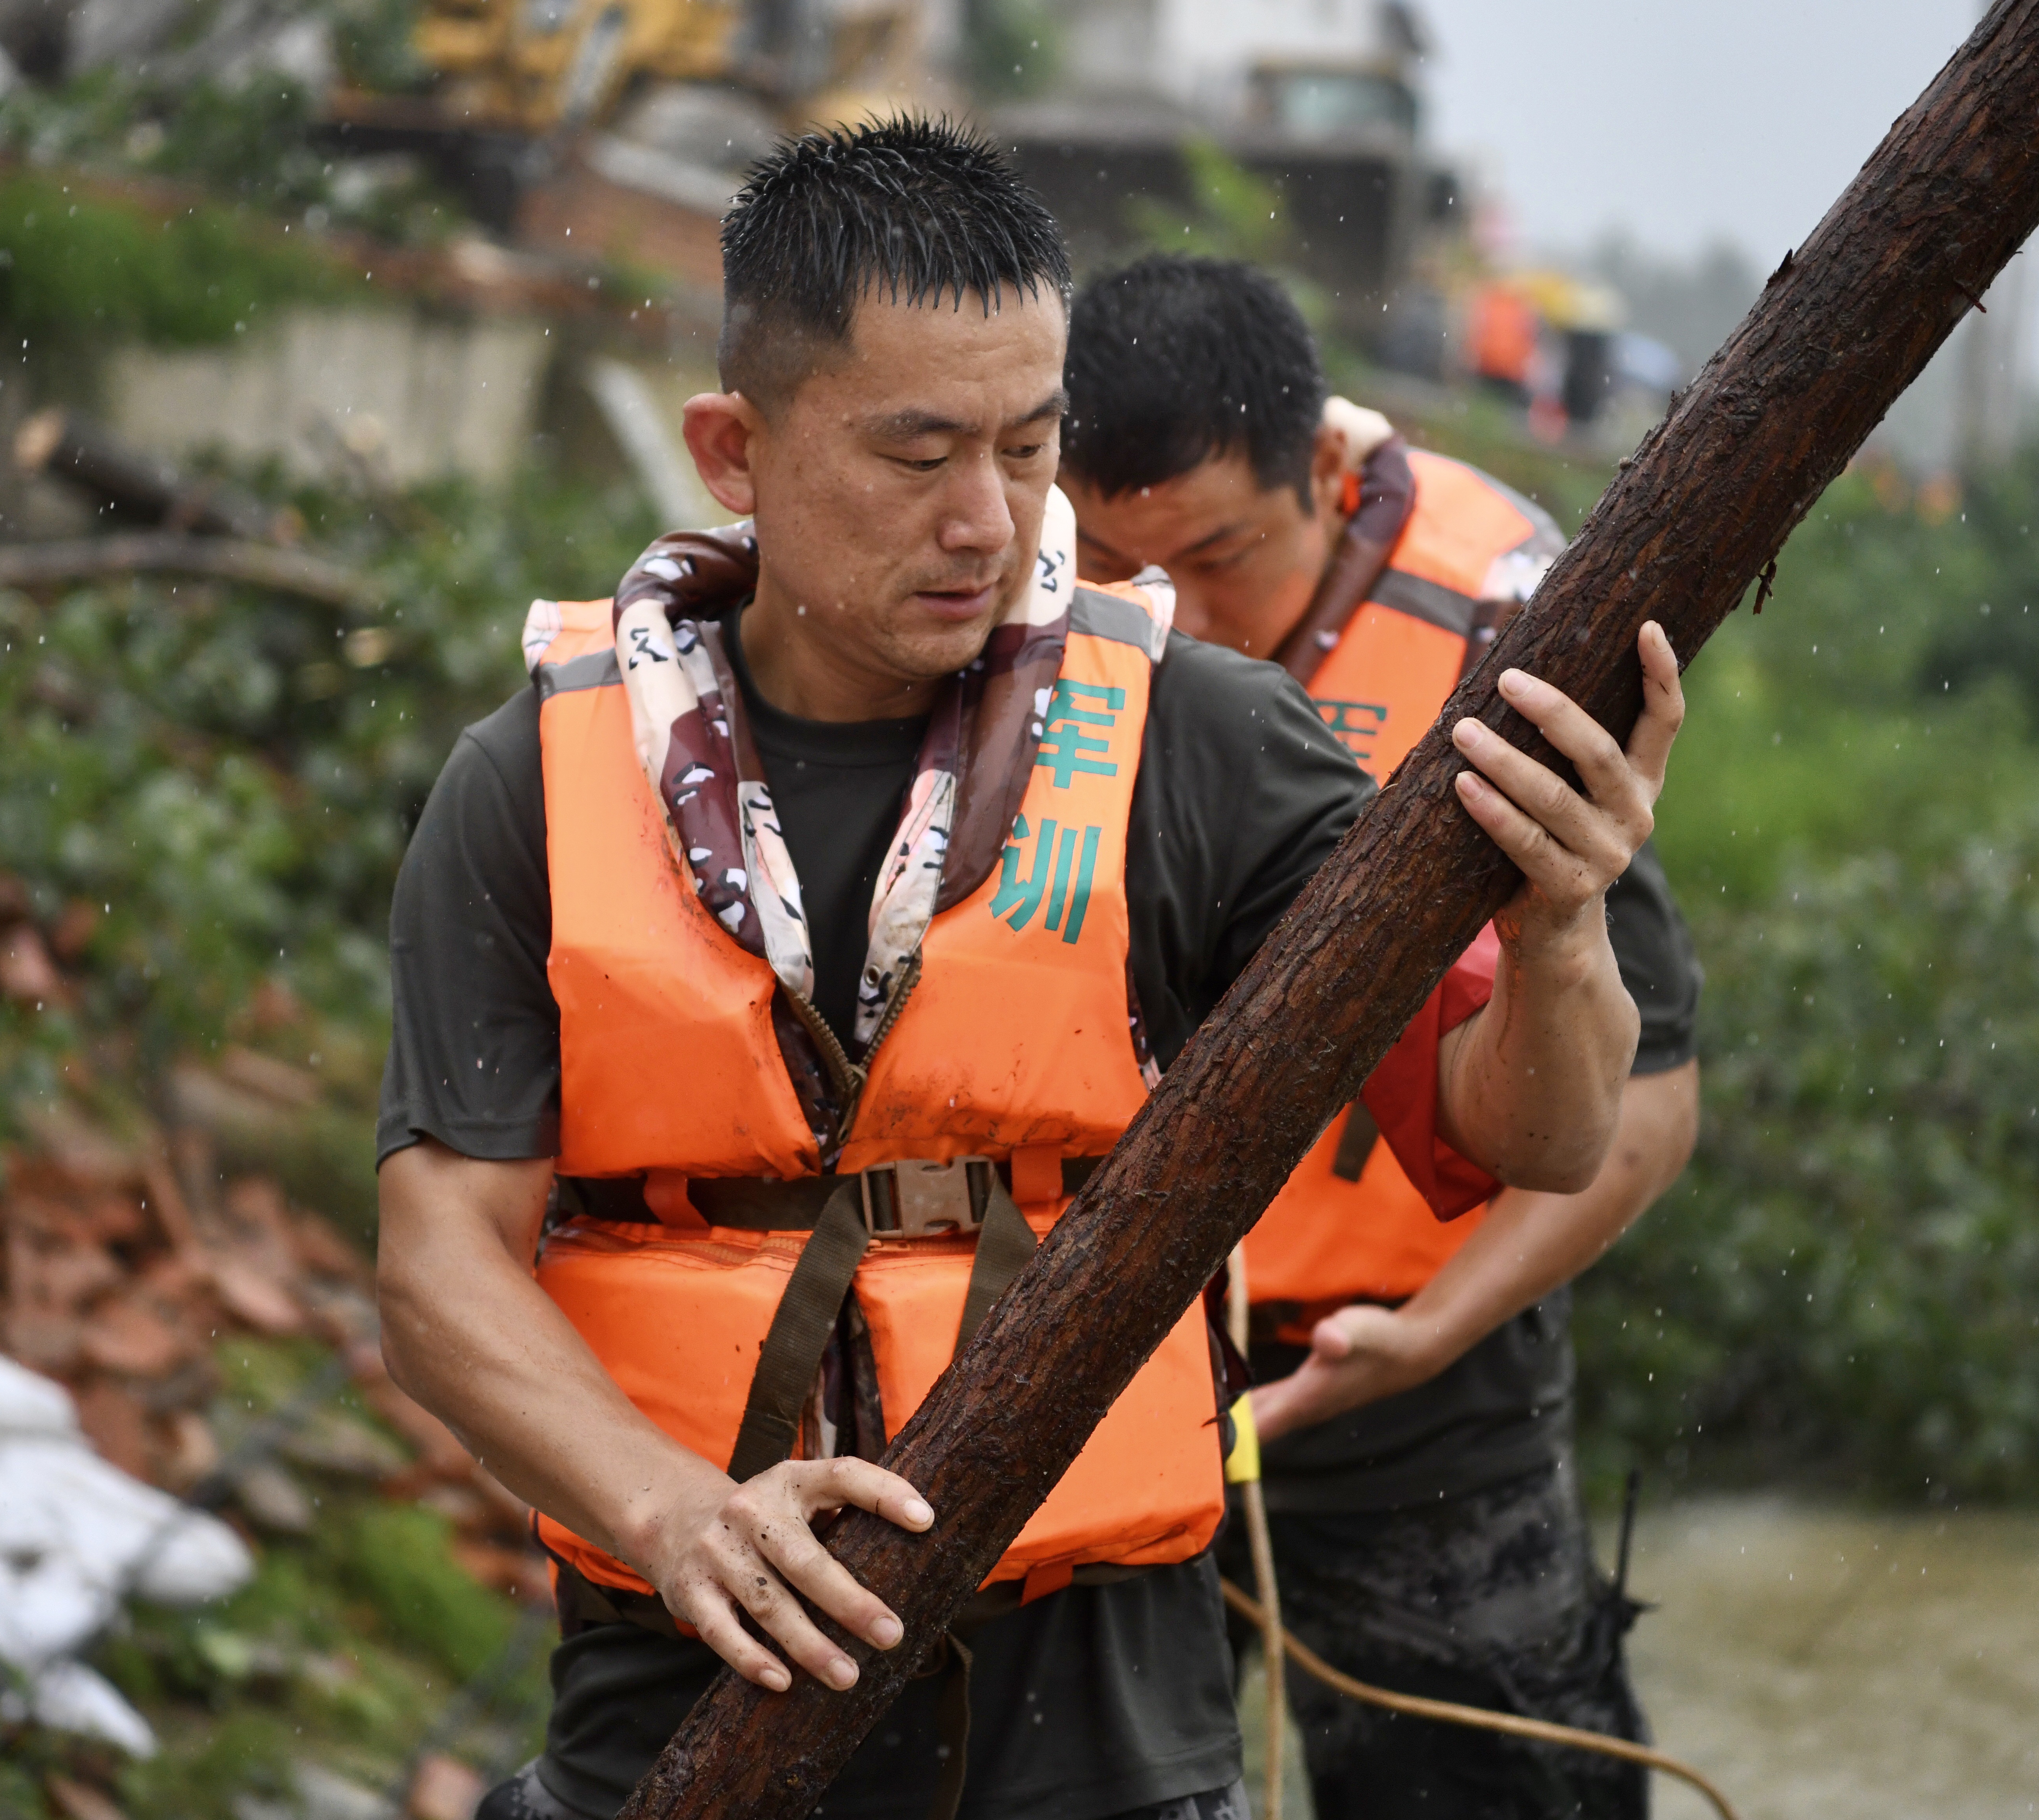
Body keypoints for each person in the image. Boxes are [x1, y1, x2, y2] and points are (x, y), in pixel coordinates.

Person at [374, 121, 1684, 1820]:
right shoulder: (539, 782)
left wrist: (1561, 927)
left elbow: (1536, 1129)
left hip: (1106, 1736)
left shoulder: (1202, 745)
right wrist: (670, 1507)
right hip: (681, 1694)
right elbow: (437, 1264)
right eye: (915, 455)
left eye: (1027, 444)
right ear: (734, 450)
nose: (987, 522)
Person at [1060, 253, 1704, 1820]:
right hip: (1093, 1373)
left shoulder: (1509, 635)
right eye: (1120, 564)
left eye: (1220, 559)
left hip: (1418, 1381)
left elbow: (1647, 1103)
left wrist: (1430, 1331)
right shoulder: (1031, 640)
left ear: (1329, 470)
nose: (1178, 619)